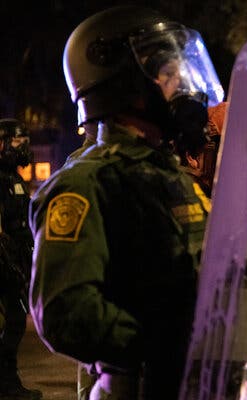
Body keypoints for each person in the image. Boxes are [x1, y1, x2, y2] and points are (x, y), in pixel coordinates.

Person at [29, 6, 221, 398]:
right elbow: (66, 314)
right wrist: (162, 343)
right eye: (167, 75)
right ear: (123, 83)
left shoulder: (166, 173)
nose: (182, 86)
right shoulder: (87, 182)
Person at [0, 119, 42, 400]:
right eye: (17, 141)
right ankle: (7, 383)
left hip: (17, 258)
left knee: (15, 320)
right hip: (4, 261)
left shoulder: (15, 177)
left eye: (25, 141)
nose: (23, 147)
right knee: (13, 321)